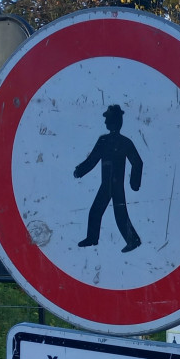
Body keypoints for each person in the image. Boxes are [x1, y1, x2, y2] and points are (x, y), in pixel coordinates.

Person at [73, 104, 144, 252]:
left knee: (119, 214)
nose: (105, 122)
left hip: (115, 185)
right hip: (107, 184)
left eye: (107, 119)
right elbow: (92, 160)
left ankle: (133, 240)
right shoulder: (108, 140)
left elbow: (137, 162)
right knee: (97, 211)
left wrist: (134, 183)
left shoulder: (117, 141)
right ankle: (93, 238)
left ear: (113, 122)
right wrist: (80, 170)